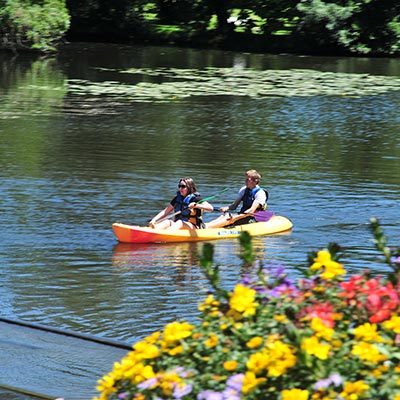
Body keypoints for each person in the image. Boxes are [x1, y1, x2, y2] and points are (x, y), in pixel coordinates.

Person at [149, 177, 214, 230]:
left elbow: (210, 208)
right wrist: (154, 220)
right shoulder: (177, 199)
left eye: (183, 186)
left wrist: (196, 205)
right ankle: (154, 230)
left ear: (189, 187)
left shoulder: (195, 199)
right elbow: (165, 212)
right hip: (178, 225)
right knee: (167, 222)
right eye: (179, 186)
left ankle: (165, 233)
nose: (180, 188)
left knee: (180, 223)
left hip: (193, 227)